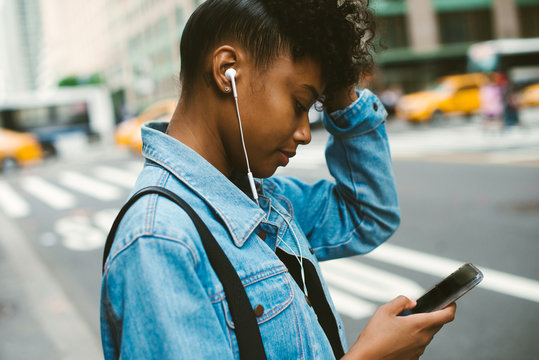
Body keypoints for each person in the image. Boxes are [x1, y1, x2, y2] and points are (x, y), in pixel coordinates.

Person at [100, 0, 456, 359]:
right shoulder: (161, 239)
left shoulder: (262, 198)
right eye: (300, 103)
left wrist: (340, 91)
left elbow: (367, 215)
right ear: (228, 71)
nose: (305, 133)